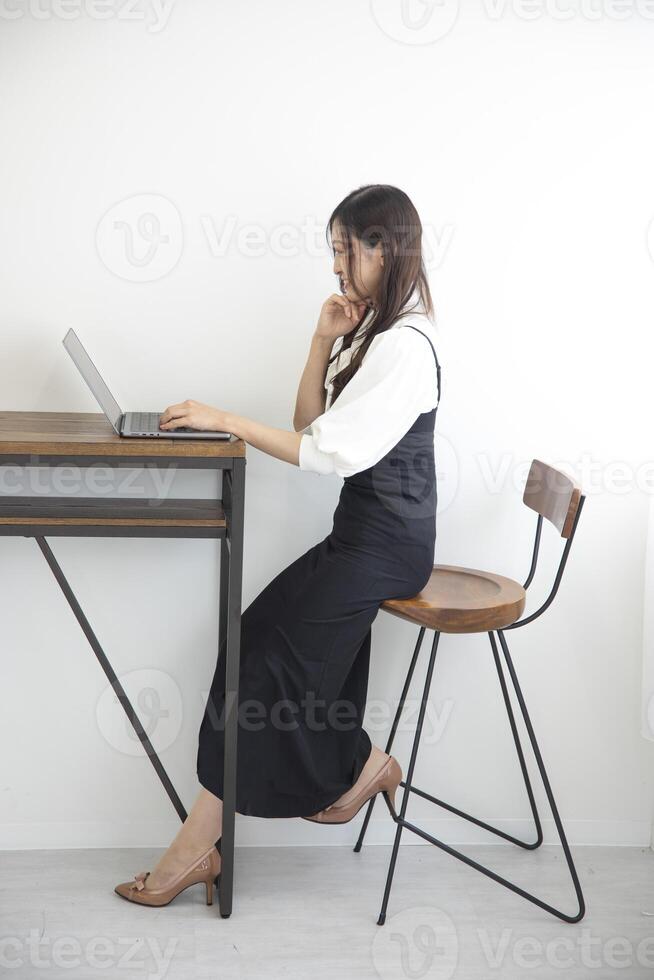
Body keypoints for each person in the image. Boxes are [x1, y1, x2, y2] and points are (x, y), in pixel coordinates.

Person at [114, 183, 442, 906]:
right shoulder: (378, 338)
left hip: (388, 545)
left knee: (265, 673)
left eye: (343, 250)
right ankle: (363, 767)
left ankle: (196, 848)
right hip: (359, 532)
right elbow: (311, 420)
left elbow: (320, 453)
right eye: (332, 251)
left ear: (384, 248)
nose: (335, 267)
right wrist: (323, 338)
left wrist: (220, 416)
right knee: (251, 640)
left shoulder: (408, 349)